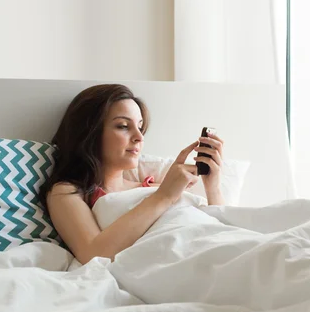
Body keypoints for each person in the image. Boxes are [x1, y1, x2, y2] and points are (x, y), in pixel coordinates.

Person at [39, 84, 225, 264]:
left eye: (140, 127)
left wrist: (213, 186)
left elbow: (219, 231)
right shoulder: (66, 192)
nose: (139, 137)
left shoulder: (152, 188)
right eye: (123, 126)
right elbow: (93, 254)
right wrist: (165, 195)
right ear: (89, 132)